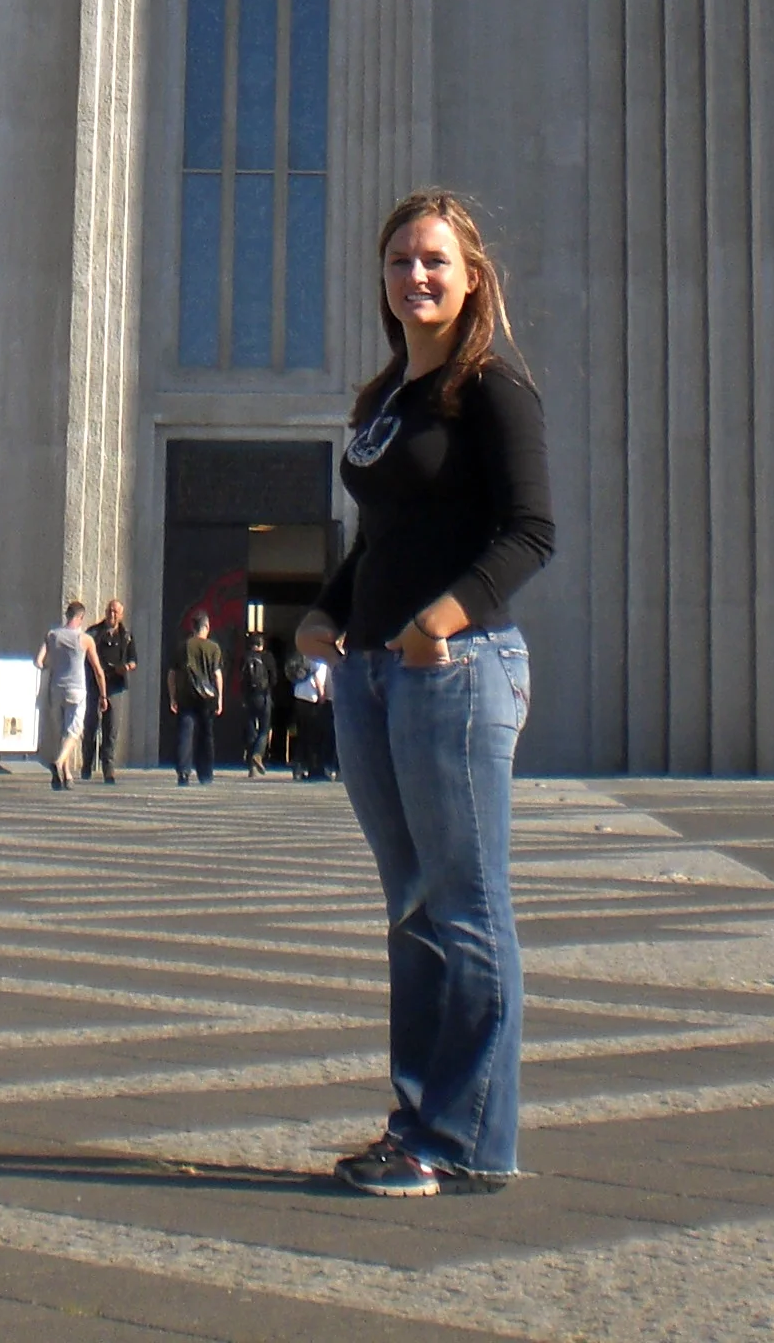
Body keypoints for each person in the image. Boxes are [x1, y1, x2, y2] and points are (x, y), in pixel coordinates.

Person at [297, 189, 554, 1198]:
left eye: (435, 260)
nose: (416, 275)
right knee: (411, 910)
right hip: (371, 675)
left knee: (466, 906)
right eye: (401, 259)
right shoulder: (384, 401)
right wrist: (326, 611)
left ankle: (462, 1137)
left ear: (471, 276)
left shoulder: (493, 388)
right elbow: (379, 539)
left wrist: (435, 624)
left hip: (457, 669)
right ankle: (417, 1124)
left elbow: (530, 532)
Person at [36, 599, 105, 791]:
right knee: (74, 731)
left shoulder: (52, 635)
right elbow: (98, 670)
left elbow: (39, 661)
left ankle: (66, 776)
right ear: (81, 617)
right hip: (76, 689)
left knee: (62, 732)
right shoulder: (85, 639)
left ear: (67, 615)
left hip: (56, 688)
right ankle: (59, 763)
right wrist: (103, 695)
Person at [167, 608, 223, 783]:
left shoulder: (183, 646)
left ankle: (183, 772)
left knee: (185, 733)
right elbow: (217, 675)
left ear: (192, 627)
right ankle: (205, 774)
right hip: (207, 698)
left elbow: (172, 674)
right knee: (206, 735)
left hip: (186, 696)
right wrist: (220, 698)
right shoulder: (214, 648)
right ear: (207, 626)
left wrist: (173, 697)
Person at [86, 598, 137, 781]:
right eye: (109, 611)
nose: (112, 615)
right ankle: (87, 764)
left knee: (111, 729)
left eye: (116, 612)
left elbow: (133, 660)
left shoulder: (126, 636)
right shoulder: (94, 633)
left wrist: (127, 667)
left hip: (116, 686)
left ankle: (108, 768)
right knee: (91, 725)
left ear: (121, 615)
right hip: (95, 685)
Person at [289, 642, 333, 778]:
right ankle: (315, 769)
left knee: (302, 734)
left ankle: (298, 766)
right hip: (312, 698)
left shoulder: (304, 655)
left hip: (299, 695)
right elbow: (318, 678)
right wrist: (322, 695)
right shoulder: (320, 659)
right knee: (315, 736)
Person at [239, 631, 277, 776]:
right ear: (262, 644)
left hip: (248, 698)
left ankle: (251, 767)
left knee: (251, 730)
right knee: (264, 729)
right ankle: (258, 754)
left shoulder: (245, 657)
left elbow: (240, 679)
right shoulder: (268, 657)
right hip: (264, 696)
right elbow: (274, 679)